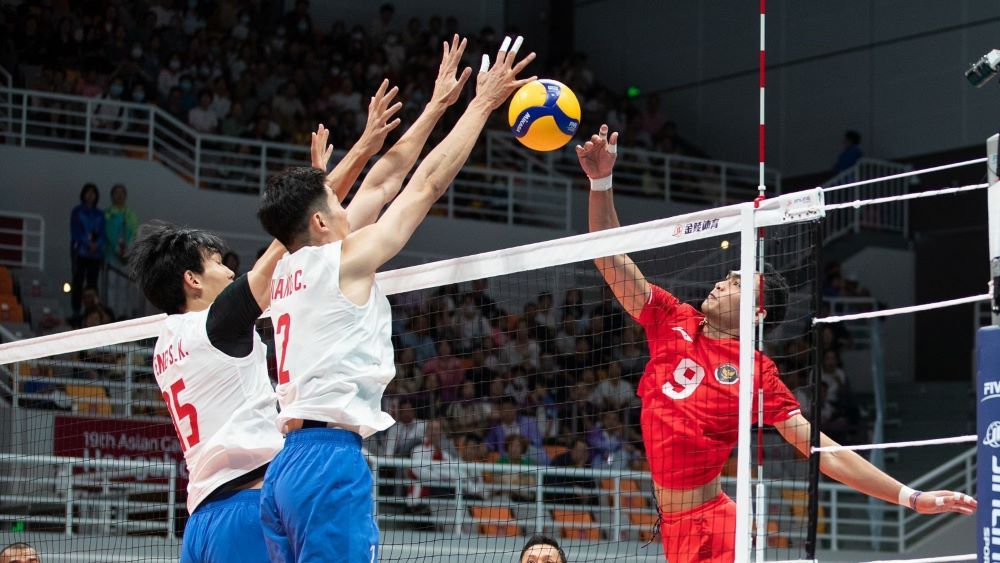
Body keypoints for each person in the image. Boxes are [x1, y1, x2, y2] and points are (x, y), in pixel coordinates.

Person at [578, 123, 976, 562]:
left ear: (756, 311)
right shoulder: (672, 318)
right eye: (727, 275)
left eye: (736, 281)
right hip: (673, 526)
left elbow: (823, 452)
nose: (721, 281)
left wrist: (911, 498)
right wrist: (601, 183)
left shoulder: (755, 372)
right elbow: (610, 256)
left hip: (712, 527)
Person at [256, 36, 535, 562]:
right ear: (318, 222)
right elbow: (422, 185)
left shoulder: (286, 270)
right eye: (337, 203)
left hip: (286, 464)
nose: (349, 205)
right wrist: (481, 104)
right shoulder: (342, 259)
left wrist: (436, 105)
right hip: (326, 460)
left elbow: (383, 181)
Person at [128, 98, 399, 561]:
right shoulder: (217, 326)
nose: (228, 271)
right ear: (191, 280)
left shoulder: (164, 345)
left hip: (200, 524)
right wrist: (352, 159)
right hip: (245, 511)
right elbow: (290, 239)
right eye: (216, 264)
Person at [70, 183, 105, 316]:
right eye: (88, 192)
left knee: (93, 283)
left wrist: (97, 244)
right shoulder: (77, 211)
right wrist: (87, 243)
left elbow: (102, 233)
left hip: (95, 255)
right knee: (78, 281)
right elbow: (75, 232)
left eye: (93, 193)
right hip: (80, 253)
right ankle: (76, 311)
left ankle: (91, 312)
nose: (90, 195)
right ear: (83, 194)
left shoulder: (100, 214)